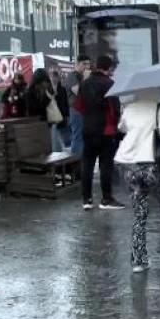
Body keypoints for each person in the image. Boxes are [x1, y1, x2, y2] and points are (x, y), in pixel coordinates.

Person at [115, 89, 160, 273]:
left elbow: (121, 127)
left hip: (128, 165)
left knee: (139, 212)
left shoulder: (129, 107)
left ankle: (138, 261)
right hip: (152, 165)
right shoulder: (159, 107)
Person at [76, 55, 125, 211]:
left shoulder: (84, 84)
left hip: (88, 128)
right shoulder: (110, 84)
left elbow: (79, 106)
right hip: (105, 130)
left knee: (88, 164)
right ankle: (106, 198)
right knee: (105, 164)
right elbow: (116, 110)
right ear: (109, 68)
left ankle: (87, 199)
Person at [26, 68, 65, 152]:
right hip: (35, 124)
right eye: (44, 82)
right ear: (38, 81)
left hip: (46, 123)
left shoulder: (44, 91)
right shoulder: (30, 93)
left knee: (48, 146)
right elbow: (33, 109)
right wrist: (47, 100)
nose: (46, 84)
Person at [66, 55, 90, 156]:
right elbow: (79, 92)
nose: (87, 67)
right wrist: (85, 79)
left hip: (86, 111)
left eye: (88, 64)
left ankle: (83, 162)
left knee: (85, 138)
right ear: (77, 64)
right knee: (78, 137)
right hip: (76, 111)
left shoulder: (84, 76)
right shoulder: (72, 76)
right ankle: (76, 163)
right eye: (84, 64)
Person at [51, 70, 70, 147]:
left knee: (64, 132)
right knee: (55, 133)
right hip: (52, 114)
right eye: (52, 77)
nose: (53, 79)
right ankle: (58, 148)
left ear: (58, 78)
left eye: (55, 77)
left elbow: (65, 102)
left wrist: (67, 114)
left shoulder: (62, 89)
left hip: (62, 113)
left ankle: (67, 146)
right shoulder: (48, 89)